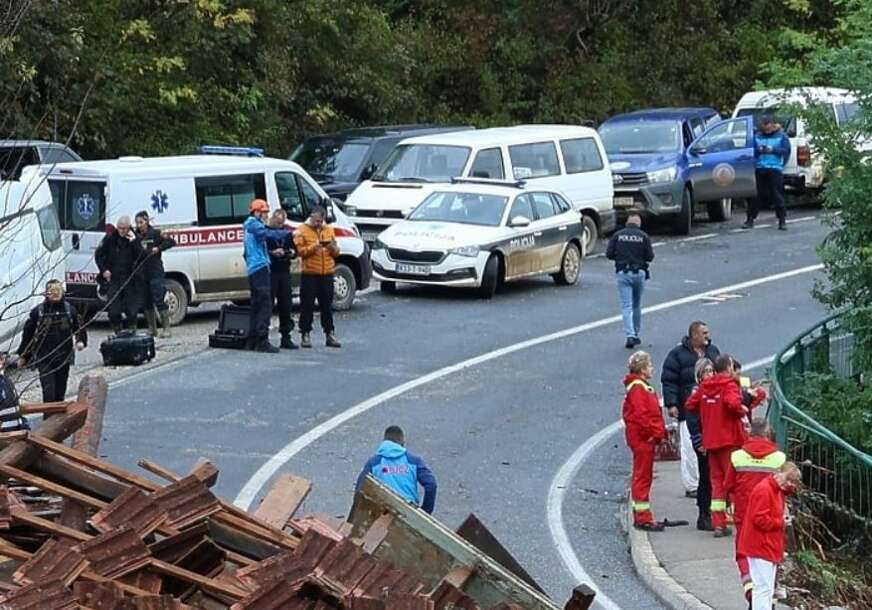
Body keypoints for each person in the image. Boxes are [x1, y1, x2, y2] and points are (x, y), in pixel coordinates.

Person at [661, 321, 720, 523]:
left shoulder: (713, 351)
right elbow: (669, 380)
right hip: (689, 411)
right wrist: (671, 404)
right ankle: (691, 485)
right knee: (689, 448)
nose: (707, 335)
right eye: (704, 332)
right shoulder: (677, 355)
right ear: (694, 335)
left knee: (705, 462)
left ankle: (702, 493)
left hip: (709, 415)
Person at [686, 354, 748, 537]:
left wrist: (708, 412)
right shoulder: (728, 385)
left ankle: (718, 523)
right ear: (729, 367)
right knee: (735, 482)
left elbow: (690, 404)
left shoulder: (705, 386)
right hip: (729, 440)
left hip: (711, 441)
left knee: (717, 483)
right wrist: (742, 409)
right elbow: (733, 403)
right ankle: (742, 521)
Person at [725, 419, 786, 605]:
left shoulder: (737, 456)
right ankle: (769, 596)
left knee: (744, 552)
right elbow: (783, 486)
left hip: (744, 512)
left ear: (750, 433)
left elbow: (728, 485)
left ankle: (751, 589)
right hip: (771, 511)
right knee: (769, 552)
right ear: (768, 433)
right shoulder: (779, 458)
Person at [737, 462, 801, 610]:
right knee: (763, 588)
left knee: (766, 588)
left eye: (792, 482)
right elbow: (759, 519)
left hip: (766, 546)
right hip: (760, 546)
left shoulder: (775, 489)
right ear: (779, 473)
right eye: (788, 480)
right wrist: (781, 522)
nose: (789, 484)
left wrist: (788, 488)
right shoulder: (765, 490)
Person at [16, 280, 87, 404]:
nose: (54, 296)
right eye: (51, 293)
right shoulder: (38, 312)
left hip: (64, 357)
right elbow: (28, 335)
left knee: (60, 393)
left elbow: (79, 327)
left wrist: (81, 341)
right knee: (49, 393)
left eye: (57, 293)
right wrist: (23, 356)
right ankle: (48, 419)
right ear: (46, 294)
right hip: (44, 357)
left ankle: (58, 420)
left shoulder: (70, 310)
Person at [623, 351, 668, 531]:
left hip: (642, 437)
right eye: (649, 366)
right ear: (642, 369)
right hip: (643, 438)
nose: (652, 369)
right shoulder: (638, 388)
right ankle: (643, 517)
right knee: (643, 476)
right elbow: (643, 414)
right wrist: (653, 433)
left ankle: (641, 514)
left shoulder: (639, 386)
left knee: (642, 475)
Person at [355, 425, 438, 514]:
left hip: (382, 512)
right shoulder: (413, 461)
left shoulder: (374, 462)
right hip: (409, 512)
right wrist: (425, 512)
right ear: (402, 443)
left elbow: (360, 490)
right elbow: (431, 484)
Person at [243, 199, 289, 353]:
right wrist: (290, 232)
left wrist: (270, 253)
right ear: (256, 212)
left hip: (255, 268)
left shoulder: (251, 225)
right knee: (264, 305)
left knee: (256, 304)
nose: (266, 215)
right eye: (264, 213)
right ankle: (262, 341)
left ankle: (253, 340)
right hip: (259, 268)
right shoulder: (253, 224)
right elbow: (268, 234)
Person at [293, 206, 341, 349]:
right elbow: (300, 252)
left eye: (321, 221)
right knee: (307, 305)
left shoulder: (329, 230)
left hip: (327, 273)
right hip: (310, 274)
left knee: (327, 305)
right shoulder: (302, 230)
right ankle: (305, 334)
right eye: (316, 221)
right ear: (311, 218)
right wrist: (314, 247)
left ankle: (329, 334)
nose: (318, 223)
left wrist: (332, 248)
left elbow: (337, 253)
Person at [606, 213, 654, 348]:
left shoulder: (618, 235)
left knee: (626, 306)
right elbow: (650, 256)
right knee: (636, 305)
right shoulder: (643, 236)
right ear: (639, 224)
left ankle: (630, 335)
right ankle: (636, 333)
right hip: (639, 273)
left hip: (623, 273)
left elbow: (609, 254)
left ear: (627, 222)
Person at [95, 216, 143, 333]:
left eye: (124, 229)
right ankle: (117, 331)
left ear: (128, 228)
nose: (121, 231)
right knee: (114, 311)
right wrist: (104, 270)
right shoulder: (110, 238)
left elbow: (142, 256)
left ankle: (132, 331)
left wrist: (134, 242)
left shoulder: (134, 238)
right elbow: (99, 255)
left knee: (131, 311)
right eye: (119, 228)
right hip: (114, 278)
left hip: (130, 279)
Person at [744, 116, 791, 231]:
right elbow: (752, 152)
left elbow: (786, 151)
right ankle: (750, 219)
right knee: (756, 195)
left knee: (777, 195)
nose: (766, 129)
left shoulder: (781, 136)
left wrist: (773, 150)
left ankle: (782, 220)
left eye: (768, 126)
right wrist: (759, 151)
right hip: (760, 168)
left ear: (772, 124)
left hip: (775, 168)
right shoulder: (757, 136)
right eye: (764, 127)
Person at [134, 211, 176, 338]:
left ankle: (166, 328)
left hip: (155, 271)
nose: (139, 225)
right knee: (146, 301)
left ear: (147, 221)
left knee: (159, 298)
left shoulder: (156, 233)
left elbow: (171, 242)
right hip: (142, 273)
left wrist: (159, 248)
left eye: (141, 222)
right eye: (137, 223)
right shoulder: (135, 236)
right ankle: (152, 329)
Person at [688, 357, 715, 531]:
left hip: (714, 440)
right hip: (703, 442)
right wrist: (699, 441)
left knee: (713, 478)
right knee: (705, 477)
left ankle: (712, 512)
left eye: (712, 371)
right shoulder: (696, 393)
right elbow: (692, 419)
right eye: (706, 371)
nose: (710, 374)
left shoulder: (713, 391)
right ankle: (703, 514)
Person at [266, 209, 297, 350]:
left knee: (286, 305)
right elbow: (260, 250)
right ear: (272, 219)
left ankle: (286, 336)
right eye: (278, 222)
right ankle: (263, 336)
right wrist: (272, 253)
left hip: (284, 271)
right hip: (270, 272)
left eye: (282, 223)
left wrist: (291, 252)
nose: (280, 225)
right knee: (267, 305)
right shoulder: (265, 232)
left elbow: (295, 250)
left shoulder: (286, 233)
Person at [0, 352, 29, 431]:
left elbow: (15, 407)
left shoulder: (6, 381)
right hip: (6, 434)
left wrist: (23, 425)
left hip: (16, 429)